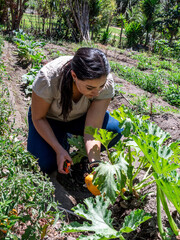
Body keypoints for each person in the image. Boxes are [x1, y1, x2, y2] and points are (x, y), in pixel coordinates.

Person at [27, 47, 123, 176]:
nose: (97, 92)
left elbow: (93, 128)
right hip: (48, 120)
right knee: (44, 164)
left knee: (114, 130)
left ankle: (80, 157)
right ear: (74, 75)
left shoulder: (104, 82)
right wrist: (58, 149)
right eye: (90, 88)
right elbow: (38, 118)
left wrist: (95, 163)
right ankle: (63, 142)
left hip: (79, 119)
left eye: (101, 86)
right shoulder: (48, 78)